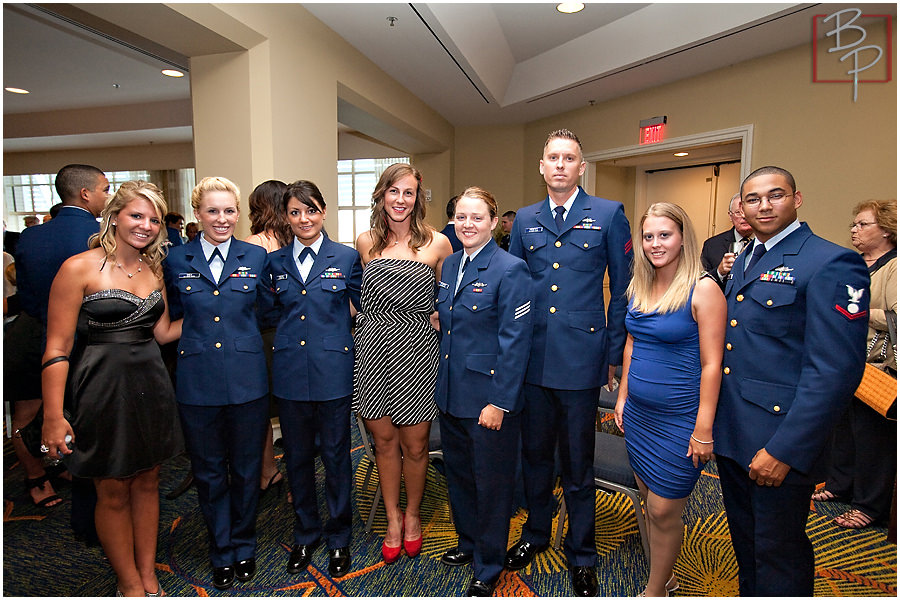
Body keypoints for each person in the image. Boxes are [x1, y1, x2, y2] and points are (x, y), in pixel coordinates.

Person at [714, 166, 870, 596]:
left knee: (779, 554)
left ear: (796, 199)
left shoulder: (830, 262)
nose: (763, 205)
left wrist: (785, 450)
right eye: (753, 199)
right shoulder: (747, 256)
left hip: (778, 440)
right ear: (741, 208)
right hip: (734, 435)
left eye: (775, 195)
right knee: (747, 546)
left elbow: (835, 372)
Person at [41, 180, 184, 597]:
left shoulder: (154, 269)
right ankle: (128, 582)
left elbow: (161, 333)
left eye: (154, 219)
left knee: (148, 481)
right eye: (136, 215)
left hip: (152, 384)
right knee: (112, 488)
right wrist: (53, 415)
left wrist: (218, 311)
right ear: (114, 216)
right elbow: (56, 346)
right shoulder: (78, 268)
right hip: (100, 387)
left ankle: (147, 570)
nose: (146, 225)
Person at [505, 129, 632, 596]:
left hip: (581, 359)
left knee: (579, 465)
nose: (560, 164)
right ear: (541, 166)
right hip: (533, 361)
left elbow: (622, 288)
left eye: (569, 158)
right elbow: (513, 286)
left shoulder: (607, 214)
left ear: (582, 167)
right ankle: (537, 534)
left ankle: (582, 553)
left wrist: (615, 353)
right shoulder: (524, 219)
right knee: (535, 457)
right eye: (552, 157)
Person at [163, 176, 270, 591]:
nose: (222, 219)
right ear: (197, 214)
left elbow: (268, 310)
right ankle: (220, 549)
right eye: (213, 211)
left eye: (229, 210)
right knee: (209, 473)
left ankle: (244, 545)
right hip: (197, 382)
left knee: (245, 471)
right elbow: (168, 316)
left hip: (247, 381)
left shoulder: (255, 257)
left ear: (238, 213)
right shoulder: (175, 260)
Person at [614, 202, 725, 596]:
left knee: (663, 509)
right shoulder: (639, 284)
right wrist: (623, 396)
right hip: (640, 416)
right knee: (649, 502)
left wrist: (704, 428)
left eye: (665, 235)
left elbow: (713, 365)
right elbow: (631, 343)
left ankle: (655, 589)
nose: (656, 244)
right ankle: (666, 572)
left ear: (683, 238)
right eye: (648, 236)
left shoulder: (704, 288)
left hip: (681, 419)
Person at [433, 187, 533, 596]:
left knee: (491, 484)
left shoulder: (510, 269)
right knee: (459, 477)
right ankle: (468, 543)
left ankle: (489, 564)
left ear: (493, 222)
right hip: (452, 393)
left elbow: (516, 341)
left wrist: (499, 402)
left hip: (489, 399)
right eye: (461, 217)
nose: (467, 225)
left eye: (477, 218)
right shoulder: (451, 262)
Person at [353, 163, 453, 563]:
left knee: (415, 446)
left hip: (418, 352)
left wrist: (439, 318)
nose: (400, 199)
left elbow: (450, 298)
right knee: (383, 442)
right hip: (374, 351)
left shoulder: (438, 244)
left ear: (418, 198)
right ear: (381, 195)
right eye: (393, 191)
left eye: (408, 192)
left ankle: (412, 516)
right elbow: (352, 295)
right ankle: (391, 518)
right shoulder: (365, 243)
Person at [265, 180, 362, 577]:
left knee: (338, 456)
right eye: (295, 212)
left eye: (311, 210)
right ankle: (306, 533)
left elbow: (360, 308)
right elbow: (269, 314)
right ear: (286, 218)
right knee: (298, 458)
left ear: (323, 212)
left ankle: (339, 536)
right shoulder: (273, 263)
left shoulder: (347, 256)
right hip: (289, 373)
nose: (304, 219)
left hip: (333, 372)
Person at [7, 164, 108, 514]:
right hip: (82, 339)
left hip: (30, 332)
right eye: (104, 189)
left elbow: (27, 290)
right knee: (81, 412)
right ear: (85, 194)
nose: (106, 197)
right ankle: (73, 470)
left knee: (27, 414)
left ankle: (37, 477)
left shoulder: (30, 236)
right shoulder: (98, 237)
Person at [813, 199, 896, 529]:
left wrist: (856, 314)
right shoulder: (854, 263)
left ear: (887, 231)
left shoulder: (893, 268)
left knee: (872, 440)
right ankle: (839, 485)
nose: (854, 229)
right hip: (845, 362)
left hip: (876, 369)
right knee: (842, 430)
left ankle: (869, 505)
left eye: (863, 224)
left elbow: (893, 317)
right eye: (854, 224)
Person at [244, 179, 292, 496]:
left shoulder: (252, 244)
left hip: (264, 335)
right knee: (295, 411)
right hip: (297, 332)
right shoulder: (307, 239)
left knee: (259, 411)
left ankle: (268, 471)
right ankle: (299, 478)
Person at [700, 193, 755, 289]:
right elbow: (702, 284)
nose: (744, 216)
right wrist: (720, 272)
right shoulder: (712, 245)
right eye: (738, 212)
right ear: (730, 216)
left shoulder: (767, 242)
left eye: (747, 212)